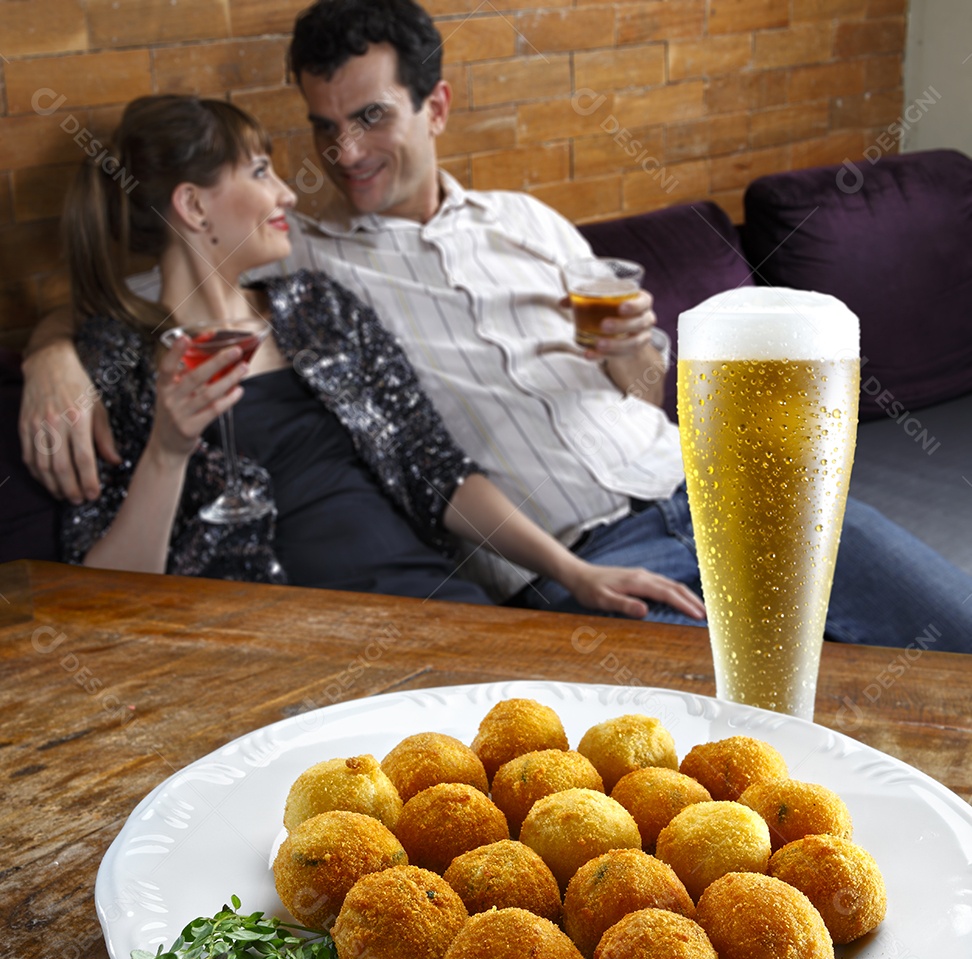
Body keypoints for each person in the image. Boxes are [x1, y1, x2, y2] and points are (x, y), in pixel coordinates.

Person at [19, 0, 972, 651]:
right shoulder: (305, 262)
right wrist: (49, 349)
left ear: (436, 104)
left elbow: (652, 398)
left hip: (711, 478)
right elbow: (145, 272)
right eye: (322, 129)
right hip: (592, 557)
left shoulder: (529, 223)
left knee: (954, 631)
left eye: (371, 117)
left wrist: (634, 352)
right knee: (730, 737)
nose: (343, 153)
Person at [51, 92, 706, 620]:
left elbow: (435, 470)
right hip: (272, 642)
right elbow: (108, 594)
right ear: (193, 206)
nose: (286, 193)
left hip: (433, 605)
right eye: (259, 172)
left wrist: (575, 574)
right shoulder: (116, 358)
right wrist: (167, 448)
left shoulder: (314, 305)